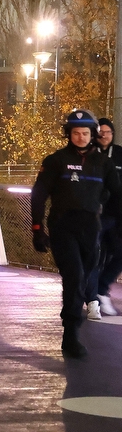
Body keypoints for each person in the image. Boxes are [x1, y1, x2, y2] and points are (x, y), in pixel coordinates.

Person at [31, 110, 122, 358]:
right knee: (73, 276)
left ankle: (73, 325)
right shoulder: (55, 160)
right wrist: (37, 228)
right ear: (68, 134)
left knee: (84, 278)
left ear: (93, 135)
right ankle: (70, 335)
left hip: (91, 226)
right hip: (63, 225)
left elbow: (117, 195)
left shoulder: (104, 164)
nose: (80, 137)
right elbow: (38, 195)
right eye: (75, 133)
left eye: (85, 133)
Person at [93, 118, 122, 317]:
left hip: (115, 215)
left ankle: (101, 289)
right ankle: (86, 296)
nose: (104, 135)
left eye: (108, 132)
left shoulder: (119, 154)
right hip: (91, 215)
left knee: (119, 254)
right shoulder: (87, 154)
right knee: (89, 257)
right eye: (101, 131)